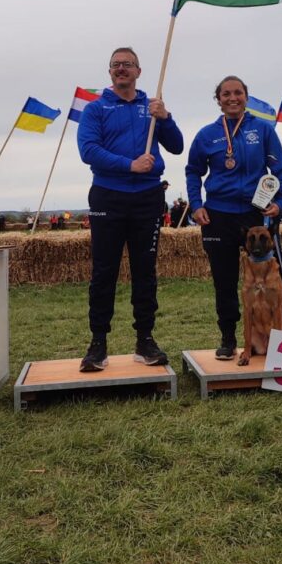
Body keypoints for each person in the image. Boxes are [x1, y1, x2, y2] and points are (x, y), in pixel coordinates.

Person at [185, 75, 282, 360]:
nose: (232, 98)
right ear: (218, 100)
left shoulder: (263, 130)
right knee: (224, 279)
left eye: (238, 93)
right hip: (218, 216)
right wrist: (196, 205)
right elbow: (193, 171)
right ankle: (228, 339)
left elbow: (281, 170)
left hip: (257, 214)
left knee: (279, 277)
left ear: (246, 96)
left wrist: (279, 202)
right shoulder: (206, 134)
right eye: (226, 94)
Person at [77, 45, 183, 371]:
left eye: (127, 64)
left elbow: (177, 146)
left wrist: (166, 119)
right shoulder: (96, 109)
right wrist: (129, 165)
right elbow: (88, 150)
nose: (121, 68)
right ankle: (98, 343)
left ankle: (145, 340)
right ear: (110, 72)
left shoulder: (151, 107)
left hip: (147, 197)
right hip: (108, 196)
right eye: (116, 64)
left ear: (138, 71)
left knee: (144, 270)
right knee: (104, 271)